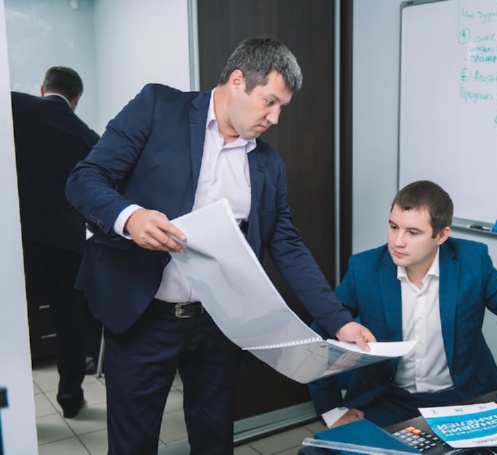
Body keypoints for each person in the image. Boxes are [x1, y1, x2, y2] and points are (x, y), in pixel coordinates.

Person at [65, 37, 375, 454]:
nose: (275, 118)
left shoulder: (267, 164)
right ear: (237, 81)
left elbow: (287, 244)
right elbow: (84, 179)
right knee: (133, 443)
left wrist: (338, 321)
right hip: (142, 316)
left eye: (282, 107)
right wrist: (130, 217)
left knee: (214, 440)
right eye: (269, 102)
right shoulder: (158, 108)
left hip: (218, 324)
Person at [308, 180, 497, 429]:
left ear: (441, 235)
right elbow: (319, 335)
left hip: (463, 397)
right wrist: (332, 409)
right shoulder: (365, 269)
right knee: (319, 450)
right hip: (386, 401)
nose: (398, 241)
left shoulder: (472, 263)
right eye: (394, 227)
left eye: (413, 232)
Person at [11, 66, 100, 418]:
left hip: (20, 238)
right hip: (68, 241)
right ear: (76, 99)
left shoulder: (14, 106)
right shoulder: (88, 136)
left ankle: (14, 405)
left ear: (42, 88)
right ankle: (71, 399)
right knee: (69, 321)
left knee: (15, 320)